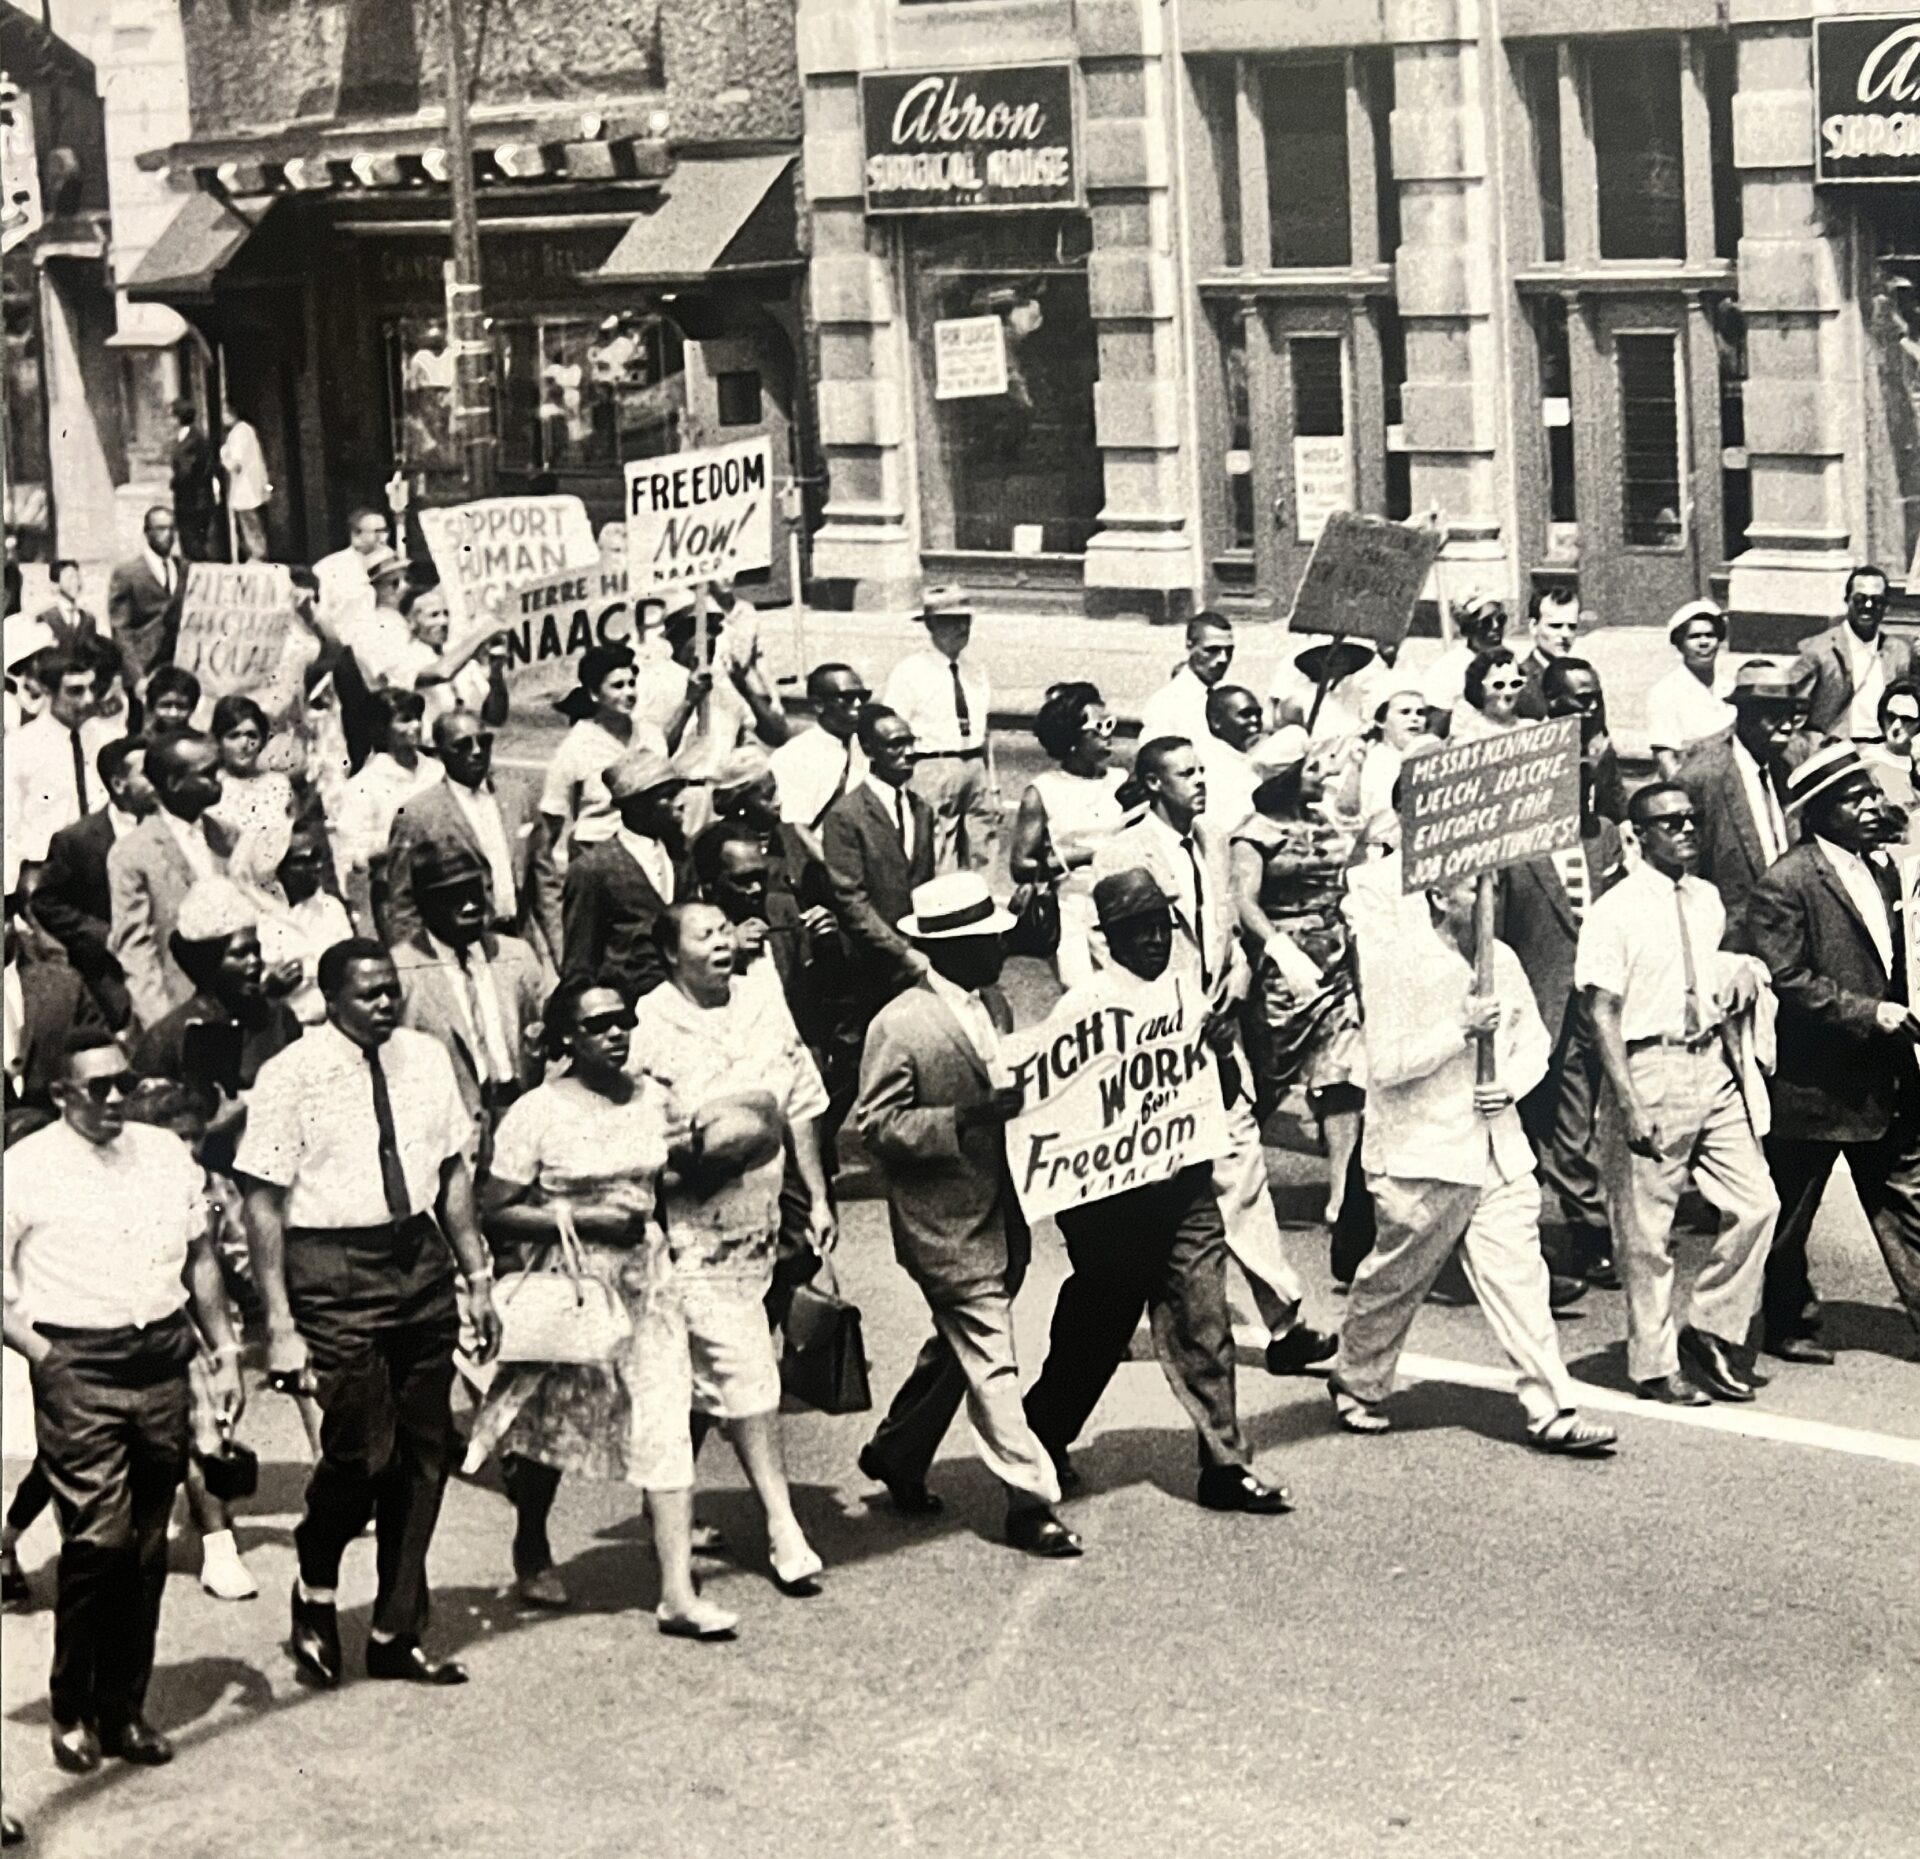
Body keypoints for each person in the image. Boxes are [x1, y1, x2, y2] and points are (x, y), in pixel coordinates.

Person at [237, 939, 502, 1689]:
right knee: (358, 1451)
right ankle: (315, 1588)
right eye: (370, 994)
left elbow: (452, 1173)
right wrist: (280, 1324)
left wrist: (475, 1273)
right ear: (331, 998)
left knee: (426, 1447)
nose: (387, 1003)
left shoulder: (423, 1059)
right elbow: (262, 1198)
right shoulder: (291, 1074)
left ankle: (394, 1627)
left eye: (392, 989)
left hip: (417, 1257)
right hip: (331, 1262)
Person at [2, 1030, 244, 1771]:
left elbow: (202, 1257)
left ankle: (123, 1707)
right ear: (60, 1094)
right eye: (97, 1087)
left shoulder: (165, 1153)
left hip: (162, 1360)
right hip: (79, 1364)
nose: (115, 1098)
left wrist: (225, 1351)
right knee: (97, 1541)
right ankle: (71, 1704)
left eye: (124, 1083)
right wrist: (51, 1358)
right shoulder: (24, 1168)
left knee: (144, 1546)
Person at [465, 979, 730, 1635]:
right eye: (599, 1024)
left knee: (667, 1422)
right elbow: (492, 1206)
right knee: (551, 1430)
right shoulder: (536, 1111)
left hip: (648, 1281)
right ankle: (530, 1538)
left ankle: (676, 1593)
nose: (616, 1032)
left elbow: (670, 1175)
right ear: (566, 1039)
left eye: (624, 1019)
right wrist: (580, 1216)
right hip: (570, 1284)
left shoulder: (652, 1096)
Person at [1024, 870, 1293, 1514]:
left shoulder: (1188, 997)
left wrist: (1223, 1055)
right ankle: (1041, 1435)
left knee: (1206, 1320)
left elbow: (1220, 1099)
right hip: (1112, 1206)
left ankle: (1225, 1465)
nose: (1152, 940)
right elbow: (1054, 1116)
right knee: (1095, 1332)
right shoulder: (1083, 1008)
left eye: (1160, 926)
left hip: (1184, 1192)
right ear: (1109, 940)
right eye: (1135, 930)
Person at [1331, 868, 1617, 1453]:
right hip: (1422, 1154)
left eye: (1495, 887)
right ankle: (1357, 1380)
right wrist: (1459, 1028)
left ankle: (1551, 1408)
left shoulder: (1501, 960)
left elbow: (1533, 1042)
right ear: (1438, 896)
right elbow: (1386, 1065)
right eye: (1476, 889)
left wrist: (1508, 1084)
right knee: (1394, 1279)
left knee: (1520, 1281)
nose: (1491, 899)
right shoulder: (1395, 960)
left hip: (1495, 1150)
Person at [1095, 736, 1337, 1375]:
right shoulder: (1126, 848)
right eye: (1184, 774)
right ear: (1151, 783)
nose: (1199, 782)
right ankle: (1107, 1313)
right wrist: (1156, 1009)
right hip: (1155, 1050)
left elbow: (1225, 924)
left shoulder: (1209, 839)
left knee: (1243, 1178)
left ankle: (1285, 1324)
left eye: (1202, 770)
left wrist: (1236, 978)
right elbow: (1108, 945)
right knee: (1147, 1198)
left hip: (1215, 1043)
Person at [854, 874, 1080, 1557]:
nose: (1003, 946)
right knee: (992, 1358)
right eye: (988, 940)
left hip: (1000, 1211)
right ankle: (1029, 1501)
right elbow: (875, 1127)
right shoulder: (899, 1023)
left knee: (959, 1350)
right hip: (943, 1222)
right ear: (950, 949)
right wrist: (963, 1118)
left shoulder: (996, 1004)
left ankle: (898, 1449)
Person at [631, 902, 833, 1593]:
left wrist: (820, 1194)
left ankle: (666, 1500)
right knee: (749, 1373)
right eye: (704, 935)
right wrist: (716, 1146)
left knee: (696, 1373)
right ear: (669, 953)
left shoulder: (760, 1000)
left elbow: (802, 1099)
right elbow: (638, 1142)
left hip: (768, 1221)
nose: (722, 944)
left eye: (725, 932)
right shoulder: (650, 1024)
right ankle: (783, 1526)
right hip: (691, 1230)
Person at [1579, 782, 1779, 1404]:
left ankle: (1712, 1328)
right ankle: (1653, 1364)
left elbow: (1701, 967)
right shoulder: (1613, 911)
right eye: (1671, 823)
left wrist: (1739, 972)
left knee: (1757, 1204)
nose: (1687, 831)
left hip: (1711, 1065)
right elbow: (1603, 1011)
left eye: (1692, 820)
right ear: (1638, 836)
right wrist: (1630, 1102)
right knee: (1646, 1233)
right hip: (1649, 1067)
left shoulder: (1707, 899)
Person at [1745, 743, 1920, 1363]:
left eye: (1873, 793)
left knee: (1908, 1203)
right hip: (1812, 1086)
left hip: (1883, 1077)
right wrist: (1867, 1012)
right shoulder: (1787, 882)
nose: (1874, 806)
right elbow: (1786, 979)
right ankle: (1786, 1322)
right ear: (1819, 814)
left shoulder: (1886, 870)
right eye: (1856, 799)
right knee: (1793, 1214)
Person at [1494, 757, 1627, 1288]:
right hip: (1539, 997)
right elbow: (1500, 928)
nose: (1579, 797)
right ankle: (1580, 1233)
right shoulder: (1514, 842)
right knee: (1541, 1121)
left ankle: (1597, 1229)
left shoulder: (1604, 836)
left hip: (1596, 995)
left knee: (1588, 1118)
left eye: (1587, 787)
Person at [1229, 739, 1365, 1231]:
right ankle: (1225, 1178)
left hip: (1334, 962)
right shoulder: (1254, 835)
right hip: (1284, 974)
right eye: (1310, 768)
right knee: (1265, 1081)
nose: (1321, 776)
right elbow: (1243, 901)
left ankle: (1342, 1195)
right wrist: (1279, 949)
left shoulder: (1324, 822)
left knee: (1342, 1075)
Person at [131, 878, 302, 1164]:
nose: (254, 963)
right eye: (239, 954)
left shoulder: (277, 1018)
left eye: (256, 950)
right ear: (209, 962)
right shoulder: (168, 1037)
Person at [391, 842, 545, 1159]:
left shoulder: (515, 955)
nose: (472, 906)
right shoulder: (402, 969)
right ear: (423, 905)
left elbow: (542, 1034)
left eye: (476, 893)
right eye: (454, 897)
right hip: (449, 1129)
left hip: (515, 1111)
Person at [384, 707, 562, 967]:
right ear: (441, 753)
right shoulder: (418, 815)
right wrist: (419, 969)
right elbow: (402, 904)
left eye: (484, 741)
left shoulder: (519, 797)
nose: (477, 751)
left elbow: (545, 885)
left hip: (519, 942)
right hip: (458, 952)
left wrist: (562, 957)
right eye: (463, 745)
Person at [107, 729, 233, 1032]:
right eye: (208, 774)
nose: (219, 781)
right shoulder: (133, 853)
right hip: (178, 1010)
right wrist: (164, 1028)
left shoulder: (227, 837)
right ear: (173, 783)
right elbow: (136, 951)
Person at [1009, 681, 1131, 988]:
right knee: (1080, 995)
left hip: (1122, 904)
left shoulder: (1122, 781)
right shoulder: (1043, 791)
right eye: (1099, 727)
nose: (1108, 733)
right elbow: (1020, 865)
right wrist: (1085, 856)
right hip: (1073, 909)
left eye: (1110, 724)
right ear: (1073, 737)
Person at [29, 735, 154, 1029]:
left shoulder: (171, 828)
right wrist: (103, 936)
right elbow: (46, 902)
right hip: (106, 973)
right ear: (119, 784)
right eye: (147, 773)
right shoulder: (78, 840)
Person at [1677, 659, 1806, 940]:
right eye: (1773, 715)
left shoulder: (1788, 766)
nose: (1786, 726)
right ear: (1744, 715)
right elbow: (1686, 875)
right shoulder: (1704, 777)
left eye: (1792, 714)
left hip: (1790, 933)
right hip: (1733, 940)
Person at [820, 704, 938, 1011]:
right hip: (870, 966)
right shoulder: (846, 815)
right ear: (869, 750)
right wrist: (901, 952)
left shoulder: (921, 810)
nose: (909, 752)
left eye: (911, 742)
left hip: (920, 959)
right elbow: (851, 900)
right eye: (896, 744)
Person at [561, 746, 690, 1002]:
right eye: (668, 796)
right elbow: (580, 963)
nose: (681, 803)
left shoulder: (682, 859)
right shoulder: (593, 869)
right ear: (638, 806)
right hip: (628, 1012)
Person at [882, 591, 994, 873]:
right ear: (931, 626)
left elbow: (985, 728)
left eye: (965, 620)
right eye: (951, 621)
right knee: (937, 846)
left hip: (975, 765)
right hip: (932, 764)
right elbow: (891, 728)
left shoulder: (975, 670)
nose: (961, 628)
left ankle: (981, 908)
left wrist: (992, 779)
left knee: (983, 842)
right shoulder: (910, 671)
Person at [539, 643, 669, 864]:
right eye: (617, 686)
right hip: (597, 857)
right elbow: (552, 817)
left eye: (631, 684)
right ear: (594, 693)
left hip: (649, 854)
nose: (628, 693)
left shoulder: (652, 735)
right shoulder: (577, 746)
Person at [4, 654, 120, 890]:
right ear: (49, 691)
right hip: (43, 874)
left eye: (92, 688)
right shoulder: (19, 747)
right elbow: (8, 825)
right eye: (75, 691)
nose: (88, 699)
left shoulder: (109, 740)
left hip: (102, 870)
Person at [335, 687, 443, 931]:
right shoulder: (363, 785)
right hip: (397, 893)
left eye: (417, 717)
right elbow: (354, 855)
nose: (415, 726)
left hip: (445, 884)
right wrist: (399, 845)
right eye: (405, 720)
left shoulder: (437, 772)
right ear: (381, 728)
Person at [234, 817, 351, 1026]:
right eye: (303, 861)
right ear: (273, 869)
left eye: (317, 857)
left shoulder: (330, 909)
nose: (316, 867)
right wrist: (268, 990)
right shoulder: (253, 923)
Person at [1790, 564, 1914, 743]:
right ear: (1847, 600)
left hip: (1885, 747)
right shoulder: (1819, 649)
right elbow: (1793, 707)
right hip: (1836, 749)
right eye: (1860, 599)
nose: (1868, 605)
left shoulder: (1899, 651)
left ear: (1886, 607)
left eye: (1876, 600)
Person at [769, 663, 869, 869]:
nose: (858, 705)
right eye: (848, 698)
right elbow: (795, 829)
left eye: (863, 697)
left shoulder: (869, 749)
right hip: (824, 869)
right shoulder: (794, 756)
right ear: (818, 705)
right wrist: (841, 873)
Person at [1647, 600, 1736, 779]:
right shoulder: (1665, 692)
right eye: (1694, 637)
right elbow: (1665, 756)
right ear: (1680, 644)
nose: (1704, 643)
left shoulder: (1731, 688)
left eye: (1710, 635)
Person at [1539, 656, 1630, 826]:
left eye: (1598, 697)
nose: (1594, 706)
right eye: (1584, 698)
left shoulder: (1601, 748)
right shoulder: (1532, 748)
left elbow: (1617, 811)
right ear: (1552, 699)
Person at [206, 693, 296, 852]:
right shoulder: (209, 784)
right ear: (219, 741)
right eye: (233, 736)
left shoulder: (278, 783)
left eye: (251, 735)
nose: (244, 744)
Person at [107, 508, 184, 693]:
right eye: (160, 529)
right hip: (145, 670)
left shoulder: (184, 568)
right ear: (147, 532)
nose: (167, 535)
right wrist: (136, 676)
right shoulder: (127, 573)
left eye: (172, 529)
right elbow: (121, 631)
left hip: (178, 667)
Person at [1138, 611, 1235, 746]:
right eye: (1212, 650)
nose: (1223, 659)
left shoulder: (1229, 697)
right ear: (1190, 646)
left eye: (1229, 651)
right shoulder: (1166, 704)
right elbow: (1155, 761)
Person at [1420, 595, 1507, 722]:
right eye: (1486, 621)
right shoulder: (1448, 667)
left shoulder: (1511, 661)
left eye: (1501, 619)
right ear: (1469, 627)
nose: (1496, 626)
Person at [311, 506, 389, 630]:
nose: (383, 538)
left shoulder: (392, 562)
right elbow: (322, 615)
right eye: (377, 532)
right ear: (356, 535)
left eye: (385, 531)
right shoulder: (329, 567)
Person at [1511, 586, 1582, 720]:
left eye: (1572, 627)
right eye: (1555, 626)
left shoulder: (1582, 676)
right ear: (1533, 627)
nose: (1566, 634)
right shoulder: (1517, 679)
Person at [219, 400, 272, 561]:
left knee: (249, 524)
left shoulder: (239, 432)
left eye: (224, 413)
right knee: (251, 523)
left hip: (245, 488)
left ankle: (257, 555)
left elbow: (235, 464)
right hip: (250, 486)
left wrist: (223, 455)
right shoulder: (247, 430)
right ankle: (256, 554)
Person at [1863, 680, 1920, 827]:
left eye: (1907, 719)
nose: (1896, 726)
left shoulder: (1915, 759)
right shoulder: (1869, 762)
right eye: (1891, 717)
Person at [169, 399, 219, 561]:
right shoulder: (185, 437)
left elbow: (187, 472)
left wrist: (174, 483)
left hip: (193, 499)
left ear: (178, 418)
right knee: (191, 541)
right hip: (191, 499)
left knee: (193, 542)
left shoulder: (192, 441)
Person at [1449, 648, 1527, 742]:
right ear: (1479, 688)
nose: (1508, 692)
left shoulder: (1532, 730)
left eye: (1515, 683)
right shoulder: (1470, 735)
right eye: (1498, 685)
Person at [143, 663, 200, 737]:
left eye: (181, 706)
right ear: (151, 706)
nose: (173, 713)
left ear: (192, 708)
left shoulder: (202, 745)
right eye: (166, 705)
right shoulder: (134, 746)